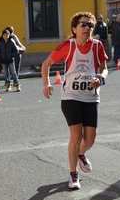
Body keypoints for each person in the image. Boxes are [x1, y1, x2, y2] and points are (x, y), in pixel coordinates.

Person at [41, 12, 109, 190]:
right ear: (74, 28)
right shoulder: (68, 46)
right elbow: (46, 64)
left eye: (90, 25)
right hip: (71, 96)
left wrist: (100, 79)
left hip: (91, 97)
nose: (87, 28)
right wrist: (46, 84)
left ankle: (80, 154)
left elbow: (104, 69)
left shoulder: (97, 46)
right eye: (83, 25)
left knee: (91, 139)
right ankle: (73, 174)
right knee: (76, 136)